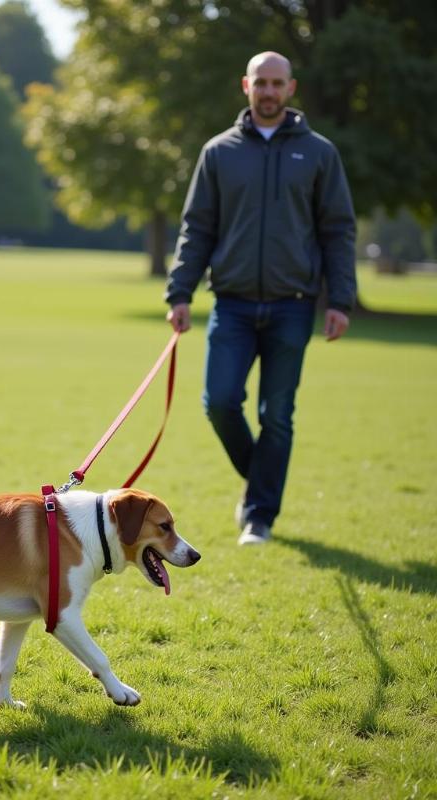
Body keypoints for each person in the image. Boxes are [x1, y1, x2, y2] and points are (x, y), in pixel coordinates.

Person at [165, 51, 356, 546]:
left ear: (291, 88)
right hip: (232, 304)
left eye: (278, 83)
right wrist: (180, 291)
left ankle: (259, 516)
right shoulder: (218, 152)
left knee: (277, 413)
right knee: (220, 402)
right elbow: (197, 229)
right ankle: (262, 481)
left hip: (294, 306)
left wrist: (340, 300)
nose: (269, 91)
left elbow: (337, 230)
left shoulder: (319, 153)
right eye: (261, 83)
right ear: (245, 85)